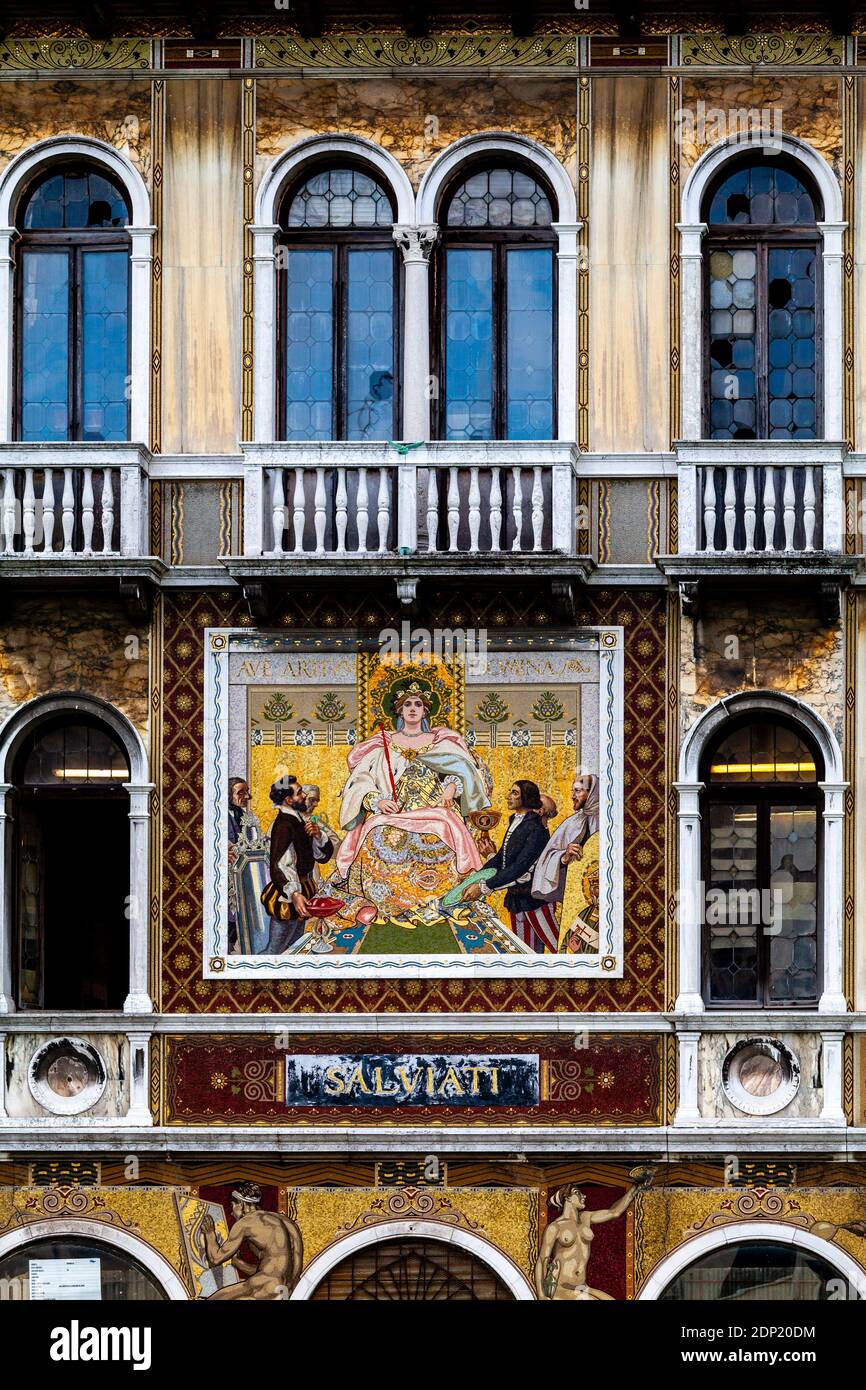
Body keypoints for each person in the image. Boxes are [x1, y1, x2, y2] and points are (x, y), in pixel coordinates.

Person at [334, 681, 492, 918]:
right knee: (377, 834)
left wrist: (450, 788)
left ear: (425, 710)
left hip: (436, 810)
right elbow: (360, 780)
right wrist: (377, 801)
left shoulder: (443, 742)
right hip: (394, 813)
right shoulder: (382, 745)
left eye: (418, 704)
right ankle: (388, 902)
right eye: (407, 704)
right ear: (399, 710)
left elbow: (467, 772)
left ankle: (442, 902)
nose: (412, 708)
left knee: (444, 831)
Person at [460, 780, 557, 952]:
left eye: (514, 793)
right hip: (518, 900)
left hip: (535, 903)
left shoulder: (536, 829)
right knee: (524, 950)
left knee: (553, 947)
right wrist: (476, 877)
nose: (508, 796)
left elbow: (519, 868)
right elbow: (501, 858)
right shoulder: (517, 821)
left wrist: (483, 887)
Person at [535, 1171, 653, 1301]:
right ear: (567, 1197)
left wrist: (636, 1188)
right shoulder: (555, 1227)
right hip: (561, 1287)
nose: (584, 1196)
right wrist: (541, 1295)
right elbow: (542, 1260)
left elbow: (614, 1212)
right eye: (578, 1193)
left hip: (581, 1287)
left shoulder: (586, 1217)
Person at [265, 775, 334, 953]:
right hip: (289, 896)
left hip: (302, 891)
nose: (303, 795)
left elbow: (322, 856)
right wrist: (294, 893)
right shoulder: (283, 825)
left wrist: (318, 836)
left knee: (296, 947)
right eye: (299, 793)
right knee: (276, 952)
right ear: (288, 800)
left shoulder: (299, 820)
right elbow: (280, 864)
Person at [201, 1182, 303, 1301]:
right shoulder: (289, 1223)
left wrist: (209, 1233)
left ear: (241, 1204)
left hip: (265, 1288)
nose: (231, 1212)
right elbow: (272, 1270)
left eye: (232, 1205)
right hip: (288, 1292)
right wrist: (238, 1263)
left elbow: (215, 1259)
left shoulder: (246, 1222)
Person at [531, 773, 600, 948]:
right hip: (574, 897)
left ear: (592, 793)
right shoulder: (572, 823)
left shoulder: (610, 820)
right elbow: (547, 857)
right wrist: (564, 856)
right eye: (572, 791)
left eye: (577, 791)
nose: (572, 796)